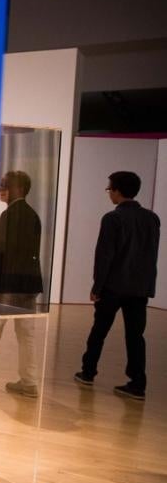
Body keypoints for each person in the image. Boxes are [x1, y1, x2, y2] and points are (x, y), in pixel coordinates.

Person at [75, 171, 159, 401]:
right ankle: (138, 383)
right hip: (139, 288)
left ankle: (88, 372)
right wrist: (149, 286)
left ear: (117, 191)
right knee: (136, 336)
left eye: (109, 189)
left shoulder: (112, 219)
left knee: (99, 331)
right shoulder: (152, 219)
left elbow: (105, 256)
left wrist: (97, 287)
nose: (109, 193)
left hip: (113, 287)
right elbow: (151, 256)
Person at [0, 171, 43, 397]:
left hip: (7, 284)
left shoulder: (11, 216)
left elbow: (0, 250)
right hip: (28, 284)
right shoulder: (32, 215)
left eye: (5, 186)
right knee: (26, 333)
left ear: (18, 189)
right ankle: (29, 382)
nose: (1, 190)